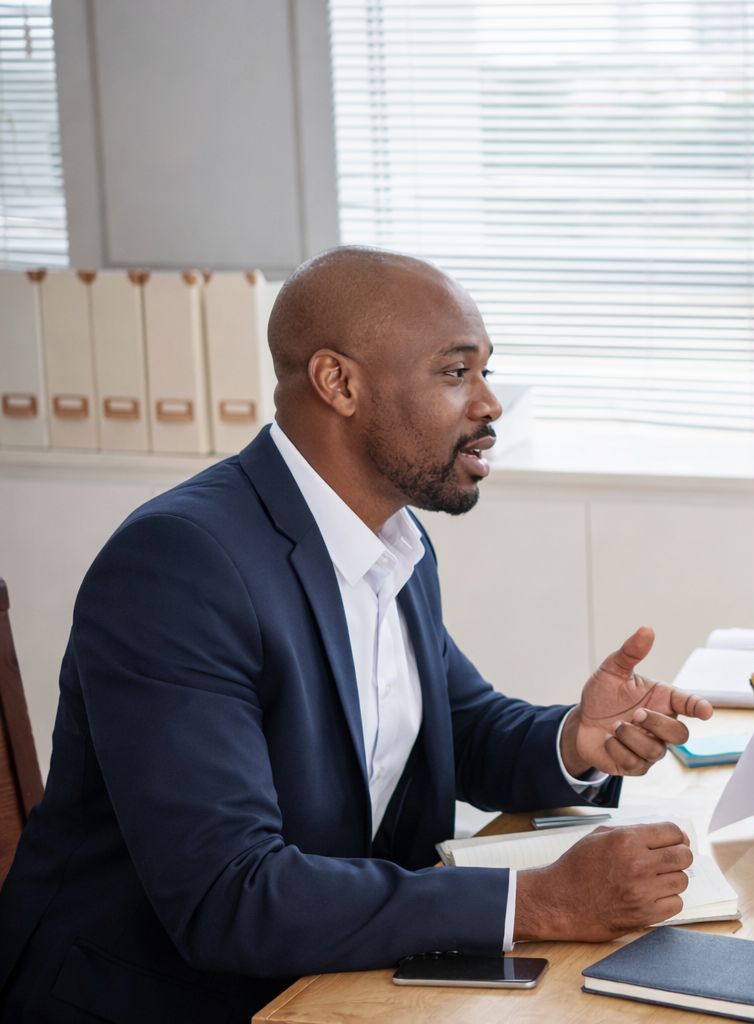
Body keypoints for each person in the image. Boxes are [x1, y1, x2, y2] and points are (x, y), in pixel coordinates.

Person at [0, 247, 712, 1022]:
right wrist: (538, 902)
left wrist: (577, 740)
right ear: (338, 383)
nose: (490, 405)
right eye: (456, 372)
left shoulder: (391, 541)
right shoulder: (179, 567)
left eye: (486, 372)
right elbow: (226, 895)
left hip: (331, 981)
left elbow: (456, 726)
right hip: (163, 1002)